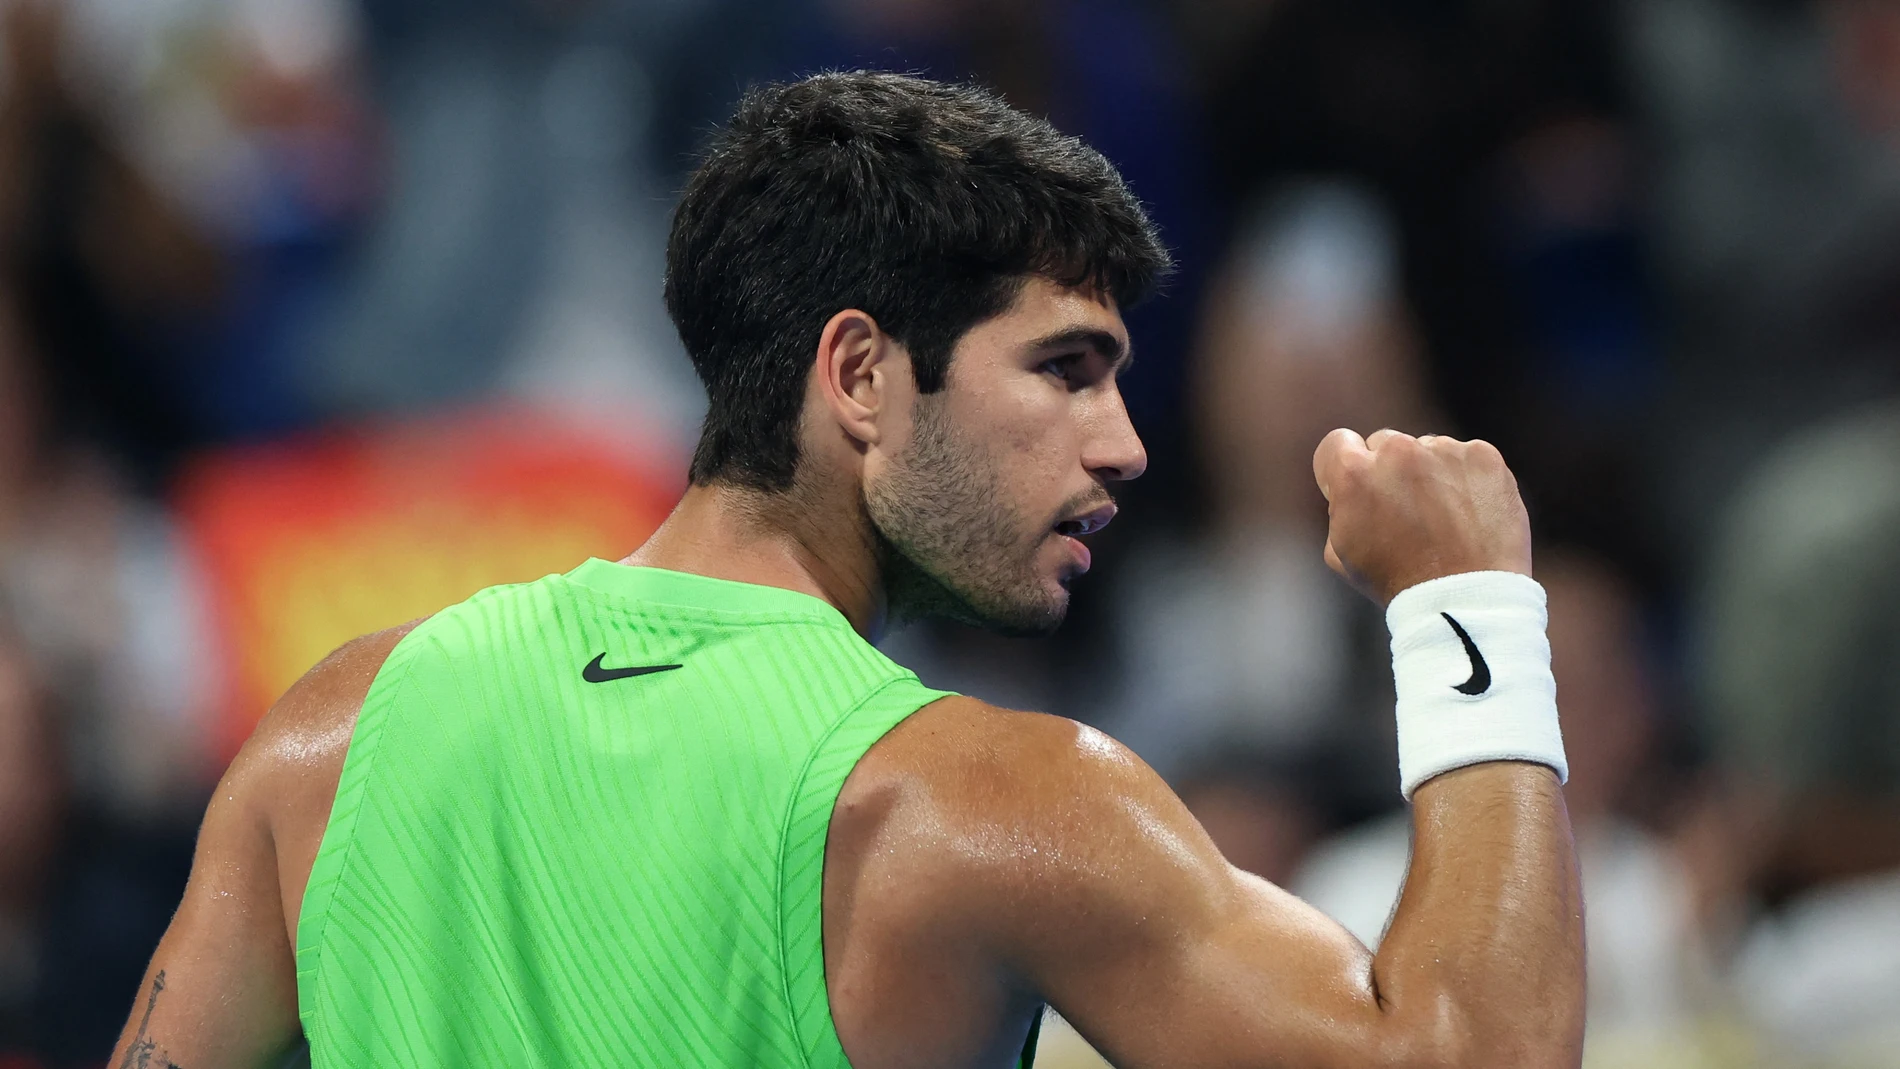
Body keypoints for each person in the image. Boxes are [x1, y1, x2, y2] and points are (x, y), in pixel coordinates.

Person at [112, 72, 1583, 1068]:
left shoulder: (330, 734)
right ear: (862, 376)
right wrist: (1469, 607)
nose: (1127, 444)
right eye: (1065, 371)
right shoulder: (987, 803)